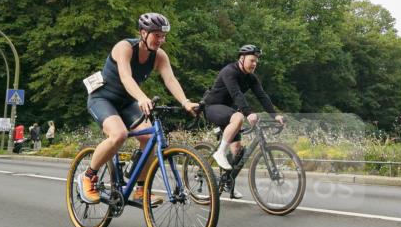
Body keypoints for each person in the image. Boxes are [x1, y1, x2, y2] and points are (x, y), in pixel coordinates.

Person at [81, 13, 199, 205]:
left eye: (163, 36)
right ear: (143, 33)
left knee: (147, 138)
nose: (161, 40)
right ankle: (88, 177)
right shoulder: (124, 48)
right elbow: (126, 77)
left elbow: (170, 79)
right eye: (156, 35)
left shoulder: (159, 56)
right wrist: (142, 97)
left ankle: (140, 189)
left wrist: (185, 102)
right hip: (102, 98)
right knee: (118, 135)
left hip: (127, 102)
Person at [202, 44, 285, 197]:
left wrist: (275, 115)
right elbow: (236, 94)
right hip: (212, 107)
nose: (254, 64)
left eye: (256, 62)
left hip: (229, 111)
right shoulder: (229, 71)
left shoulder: (251, 78)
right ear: (242, 58)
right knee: (239, 117)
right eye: (252, 60)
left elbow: (262, 96)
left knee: (237, 150)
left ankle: (228, 183)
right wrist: (248, 113)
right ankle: (219, 153)